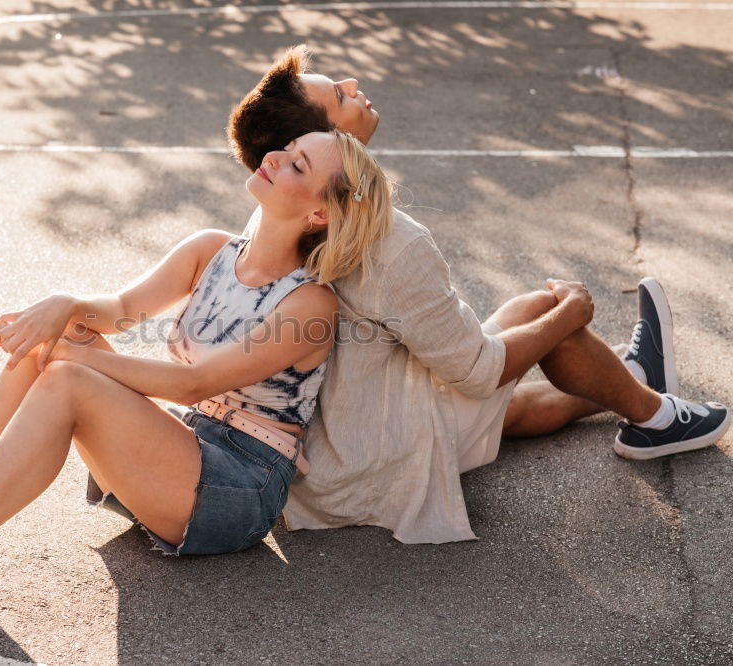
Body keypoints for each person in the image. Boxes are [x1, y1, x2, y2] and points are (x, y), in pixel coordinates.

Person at [0, 129, 395, 629]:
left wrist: (82, 363)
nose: (274, 156)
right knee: (54, 339)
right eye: (288, 148)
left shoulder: (310, 304)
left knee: (70, 375)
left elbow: (193, 385)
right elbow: (120, 309)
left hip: (240, 483)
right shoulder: (210, 250)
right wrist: (63, 307)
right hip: (187, 446)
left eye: (297, 165)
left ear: (320, 214)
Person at [224, 45, 730, 544]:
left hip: (334, 438)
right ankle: (658, 419)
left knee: (516, 365)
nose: (354, 86)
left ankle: (634, 374)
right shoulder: (387, 240)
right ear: (327, 138)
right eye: (340, 94)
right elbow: (477, 370)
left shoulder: (278, 211)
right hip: (371, 456)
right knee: (552, 319)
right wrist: (571, 313)